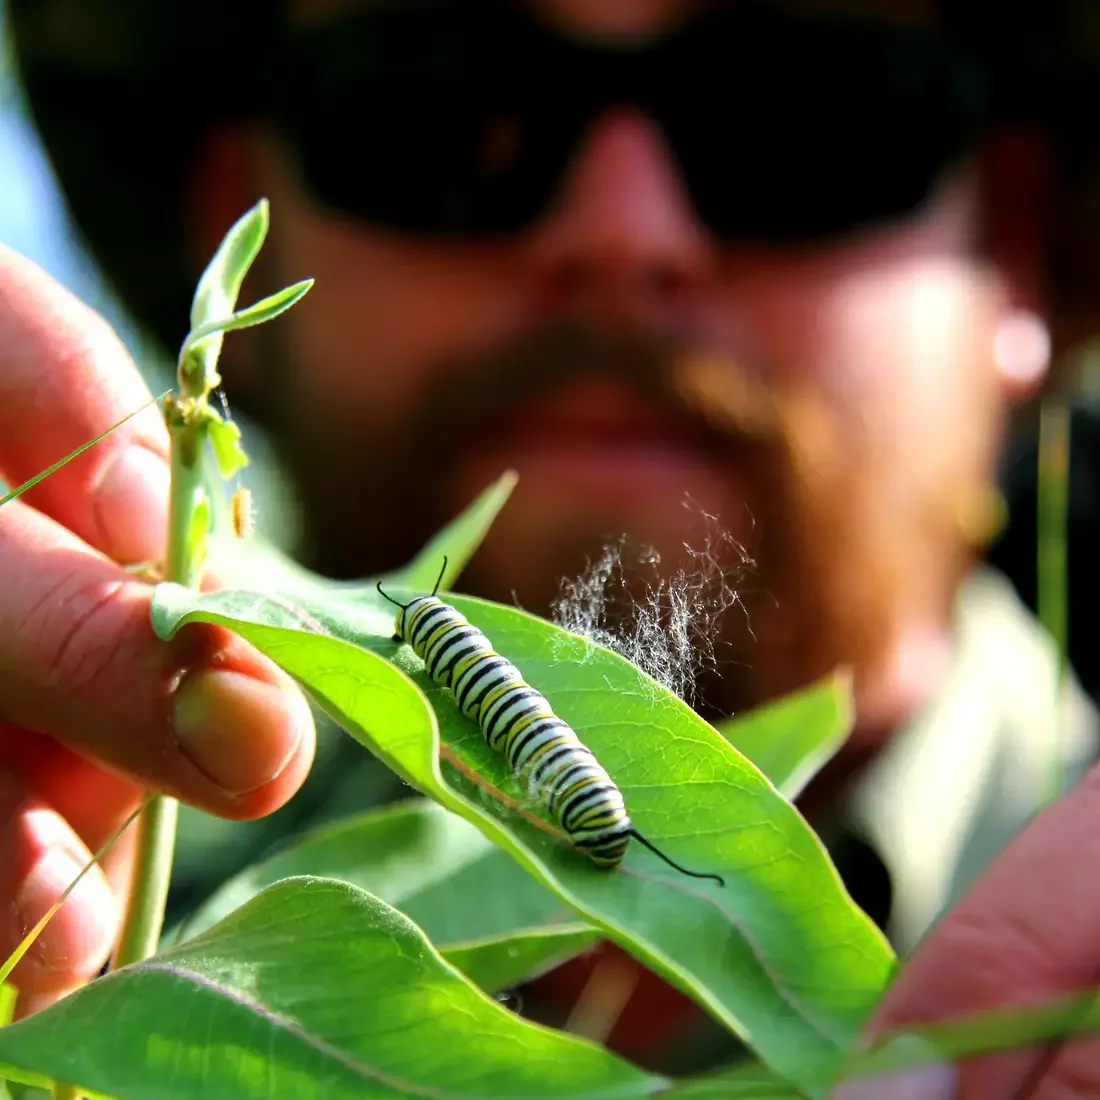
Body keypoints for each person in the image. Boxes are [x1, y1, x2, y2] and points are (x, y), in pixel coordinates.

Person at [3, 0, 1100, 1093]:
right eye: (437, 107)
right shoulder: (93, 881)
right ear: (236, 215)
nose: (620, 234)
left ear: (1016, 234)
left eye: (795, 114)